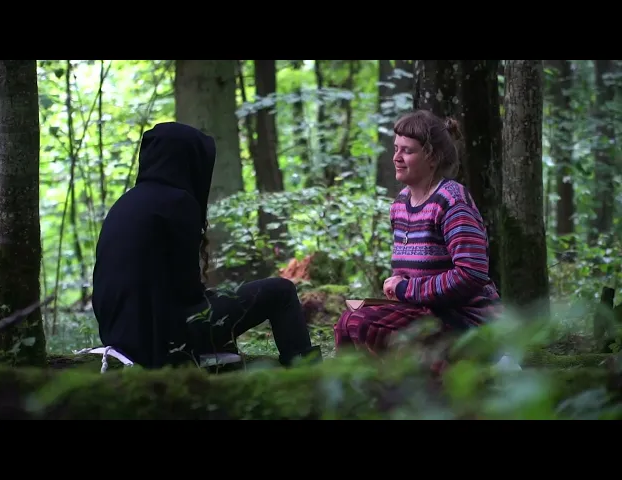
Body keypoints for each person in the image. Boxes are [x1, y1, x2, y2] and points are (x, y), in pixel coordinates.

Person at [91, 122, 321, 369]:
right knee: (281, 291)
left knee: (220, 300)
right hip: (163, 341)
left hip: (124, 337)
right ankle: (307, 375)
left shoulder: (126, 203)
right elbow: (188, 292)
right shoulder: (177, 202)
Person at [334, 110, 501, 357]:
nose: (396, 158)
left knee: (362, 323)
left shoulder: (452, 201)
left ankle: (486, 366)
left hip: (467, 320)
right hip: (425, 312)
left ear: (432, 157)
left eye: (407, 151)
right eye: (396, 149)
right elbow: (407, 273)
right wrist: (396, 289)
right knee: (347, 322)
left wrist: (404, 289)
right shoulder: (400, 204)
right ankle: (364, 383)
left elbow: (472, 274)